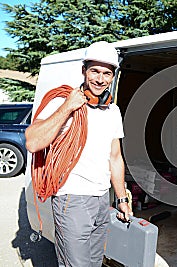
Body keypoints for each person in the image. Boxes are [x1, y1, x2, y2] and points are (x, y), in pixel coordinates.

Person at [25, 41, 132, 267]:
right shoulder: (61, 101)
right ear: (84, 71)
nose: (100, 79)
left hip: (103, 198)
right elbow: (33, 142)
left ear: (113, 77)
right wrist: (68, 107)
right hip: (72, 200)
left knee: (94, 262)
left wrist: (121, 198)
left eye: (107, 73)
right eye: (94, 71)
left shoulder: (112, 111)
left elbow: (114, 157)